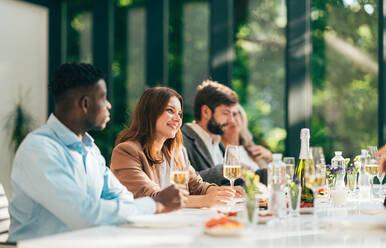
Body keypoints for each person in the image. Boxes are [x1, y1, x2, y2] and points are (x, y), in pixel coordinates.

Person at [8, 63, 188, 242]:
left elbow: (122, 197)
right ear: (85, 104)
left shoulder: (90, 149)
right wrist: (155, 203)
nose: (109, 105)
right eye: (103, 98)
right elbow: (84, 215)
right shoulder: (39, 150)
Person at [110, 87, 242, 208]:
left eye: (179, 114)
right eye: (170, 111)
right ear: (150, 113)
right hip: (142, 229)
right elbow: (152, 197)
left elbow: (197, 186)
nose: (178, 119)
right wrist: (206, 200)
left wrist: (221, 192)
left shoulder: (176, 153)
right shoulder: (126, 152)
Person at [181, 80, 267, 186]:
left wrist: (271, 172)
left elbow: (234, 181)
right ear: (206, 112)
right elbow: (184, 181)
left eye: (232, 114)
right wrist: (223, 170)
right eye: (225, 113)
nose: (231, 120)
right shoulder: (181, 141)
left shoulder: (217, 141)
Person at [221, 104, 272, 172]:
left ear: (242, 116)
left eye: (235, 114)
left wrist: (269, 158)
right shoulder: (219, 149)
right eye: (226, 115)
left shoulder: (250, 147)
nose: (232, 120)